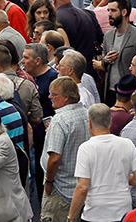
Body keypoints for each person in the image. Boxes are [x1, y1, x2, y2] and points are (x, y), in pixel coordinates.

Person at [68, 104, 136, 222]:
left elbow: (83, 187)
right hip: (122, 211)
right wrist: (121, 177)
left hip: (95, 213)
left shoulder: (85, 148)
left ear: (89, 123)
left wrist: (71, 217)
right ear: (110, 122)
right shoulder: (127, 144)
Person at [39, 77, 90, 222]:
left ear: (66, 97)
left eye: (54, 94)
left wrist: (48, 181)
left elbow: (54, 158)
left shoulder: (59, 120)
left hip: (60, 190)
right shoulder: (87, 114)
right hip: (82, 189)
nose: (49, 97)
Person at [98, 0, 136, 105]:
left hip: (131, 92)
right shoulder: (108, 35)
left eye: (113, 10)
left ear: (124, 12)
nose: (109, 14)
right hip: (111, 92)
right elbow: (103, 62)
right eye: (108, 10)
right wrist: (105, 60)